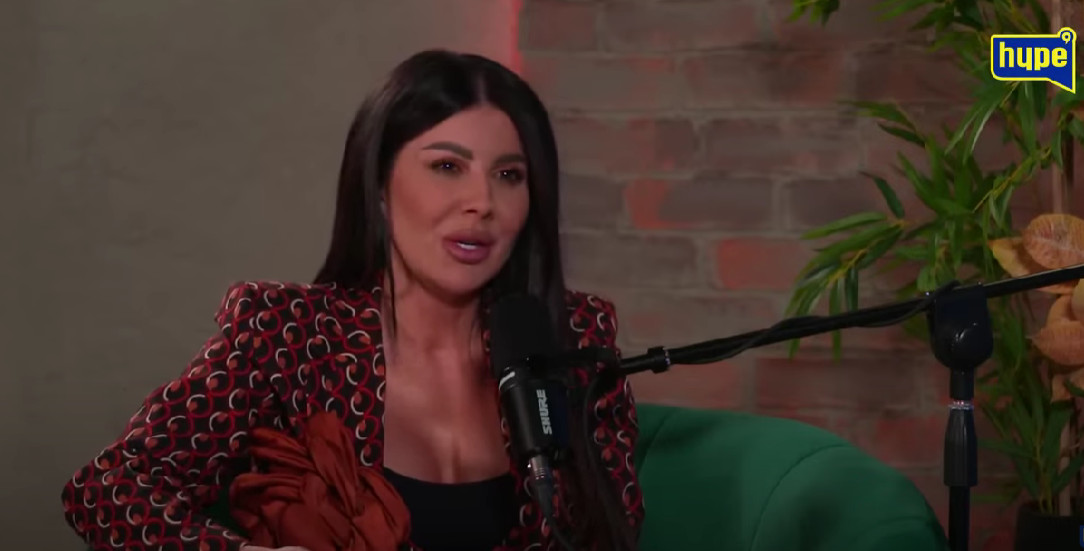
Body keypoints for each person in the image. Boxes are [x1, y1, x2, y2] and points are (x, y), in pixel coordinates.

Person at [61, 49, 644, 551]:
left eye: (509, 175)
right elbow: (107, 490)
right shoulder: (287, 332)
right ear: (380, 186)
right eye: (447, 166)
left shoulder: (575, 338)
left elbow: (613, 532)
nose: (482, 202)